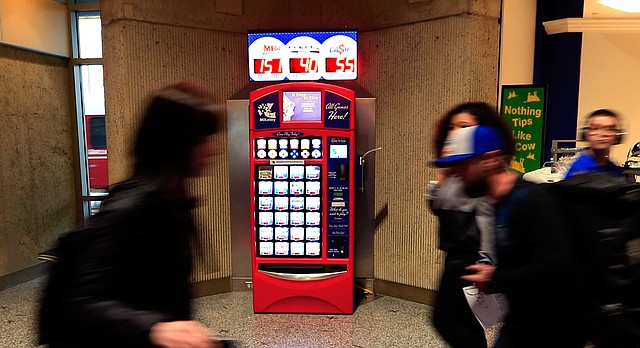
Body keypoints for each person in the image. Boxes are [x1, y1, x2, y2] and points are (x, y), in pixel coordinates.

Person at [39, 83, 225, 348]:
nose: (213, 149)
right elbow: (79, 303)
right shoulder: (130, 207)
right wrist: (155, 330)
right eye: (202, 139)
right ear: (176, 143)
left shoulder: (172, 202)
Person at [434, 125, 588, 348]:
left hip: (554, 326)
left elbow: (556, 267)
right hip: (523, 321)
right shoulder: (493, 205)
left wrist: (496, 279)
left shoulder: (531, 200)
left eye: (463, 165)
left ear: (491, 159)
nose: (456, 174)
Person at [428, 102, 515, 348]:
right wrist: (444, 170)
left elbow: (488, 219)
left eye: (464, 126)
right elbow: (438, 206)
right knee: (456, 321)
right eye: (452, 127)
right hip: (453, 256)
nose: (455, 132)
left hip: (473, 258)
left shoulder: (485, 170)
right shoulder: (457, 172)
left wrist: (488, 262)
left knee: (448, 320)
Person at [564, 108, 625, 179]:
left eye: (609, 129)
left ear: (617, 136)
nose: (602, 134)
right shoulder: (579, 171)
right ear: (586, 134)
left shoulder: (615, 170)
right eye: (595, 128)